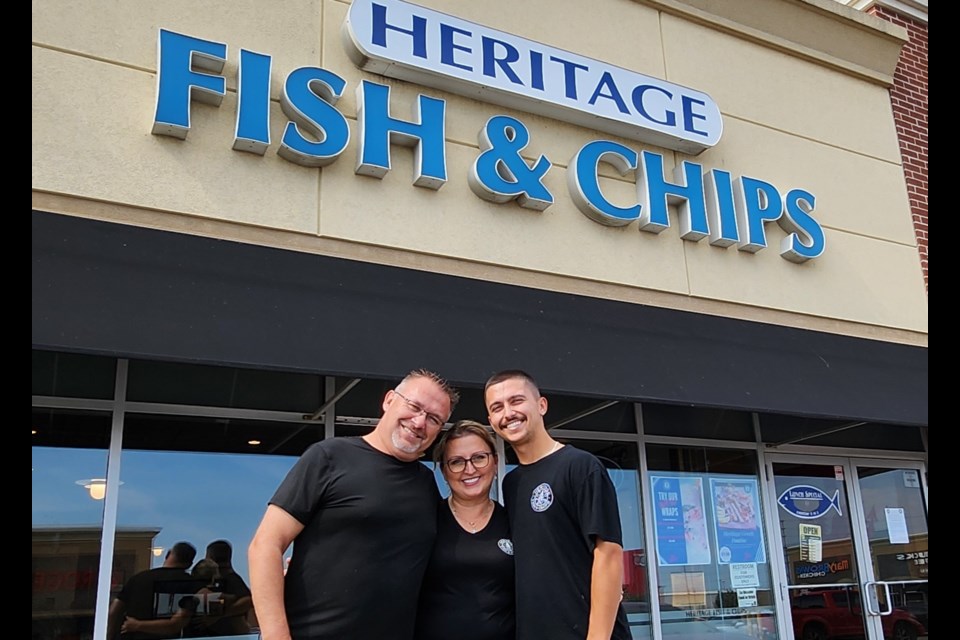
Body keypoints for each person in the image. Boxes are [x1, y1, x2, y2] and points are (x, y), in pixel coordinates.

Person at [248, 368, 460, 640]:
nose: (420, 422)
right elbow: (265, 545)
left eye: (433, 418)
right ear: (389, 400)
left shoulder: (426, 484)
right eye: (414, 406)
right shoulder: (329, 457)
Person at [484, 369, 630, 640]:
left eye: (516, 401)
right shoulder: (512, 483)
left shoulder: (580, 466)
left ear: (541, 405)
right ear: (491, 419)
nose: (508, 413)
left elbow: (608, 555)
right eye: (497, 407)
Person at [414, 420, 515, 640]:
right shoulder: (425, 521)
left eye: (479, 458)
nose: (470, 469)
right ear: (443, 471)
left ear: (495, 462)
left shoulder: (516, 522)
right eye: (456, 462)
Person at [106, 541, 200, 640]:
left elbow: (114, 611)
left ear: (168, 554)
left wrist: (109, 636)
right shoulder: (190, 584)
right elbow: (175, 625)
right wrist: (137, 625)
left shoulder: (138, 578)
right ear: (189, 564)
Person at [202, 539, 254, 635]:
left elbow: (247, 601)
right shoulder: (214, 580)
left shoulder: (231, 578)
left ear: (211, 557)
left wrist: (219, 615)